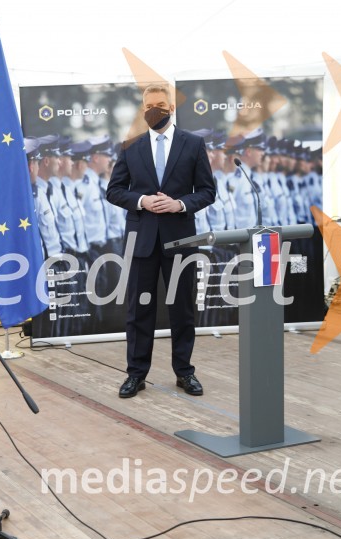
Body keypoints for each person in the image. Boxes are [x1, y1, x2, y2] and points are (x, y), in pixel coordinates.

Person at [105, 84, 215, 398]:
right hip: (142, 241)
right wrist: (142, 201)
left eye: (161, 105)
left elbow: (207, 191)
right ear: (143, 110)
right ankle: (136, 374)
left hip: (181, 239)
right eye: (150, 106)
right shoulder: (131, 146)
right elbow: (114, 190)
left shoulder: (193, 143)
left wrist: (179, 204)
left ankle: (185, 372)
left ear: (172, 108)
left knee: (182, 309)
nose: (155, 110)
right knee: (139, 310)